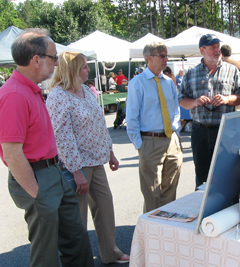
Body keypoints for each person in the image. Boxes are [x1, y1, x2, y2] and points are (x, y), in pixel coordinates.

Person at [0, 29, 94, 267]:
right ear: (36, 60)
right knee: (46, 253)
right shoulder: (14, 94)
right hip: (37, 176)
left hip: (52, 172)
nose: (56, 63)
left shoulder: (30, 89)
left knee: (76, 239)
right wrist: (36, 192)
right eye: (53, 57)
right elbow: (11, 152)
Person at [46, 51, 129, 264]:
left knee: (105, 206)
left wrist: (109, 152)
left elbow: (100, 125)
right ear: (72, 69)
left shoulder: (85, 89)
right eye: (84, 67)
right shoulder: (58, 95)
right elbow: (62, 136)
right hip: (76, 167)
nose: (88, 70)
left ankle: (110, 252)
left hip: (95, 161)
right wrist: (75, 170)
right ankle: (79, 260)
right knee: (77, 218)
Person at [179, 34, 240, 188]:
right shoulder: (191, 73)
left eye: (218, 47)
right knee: (202, 176)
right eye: (213, 47)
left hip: (226, 131)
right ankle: (203, 209)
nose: (218, 51)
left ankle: (225, 208)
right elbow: (181, 100)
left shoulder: (232, 70)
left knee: (227, 174)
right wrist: (195, 102)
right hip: (200, 132)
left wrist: (227, 99)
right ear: (202, 50)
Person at [126, 41, 183, 213]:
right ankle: (151, 235)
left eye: (166, 56)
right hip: (149, 141)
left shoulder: (168, 82)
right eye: (162, 56)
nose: (166, 60)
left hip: (171, 140)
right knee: (152, 193)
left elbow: (175, 110)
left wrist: (175, 133)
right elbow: (132, 117)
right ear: (149, 58)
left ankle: (166, 230)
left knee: (170, 191)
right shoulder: (138, 83)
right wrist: (139, 144)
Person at [220, 44, 240, 111]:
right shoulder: (238, 64)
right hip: (237, 97)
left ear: (221, 53)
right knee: (237, 117)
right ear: (230, 53)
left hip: (222, 98)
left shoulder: (218, 65)